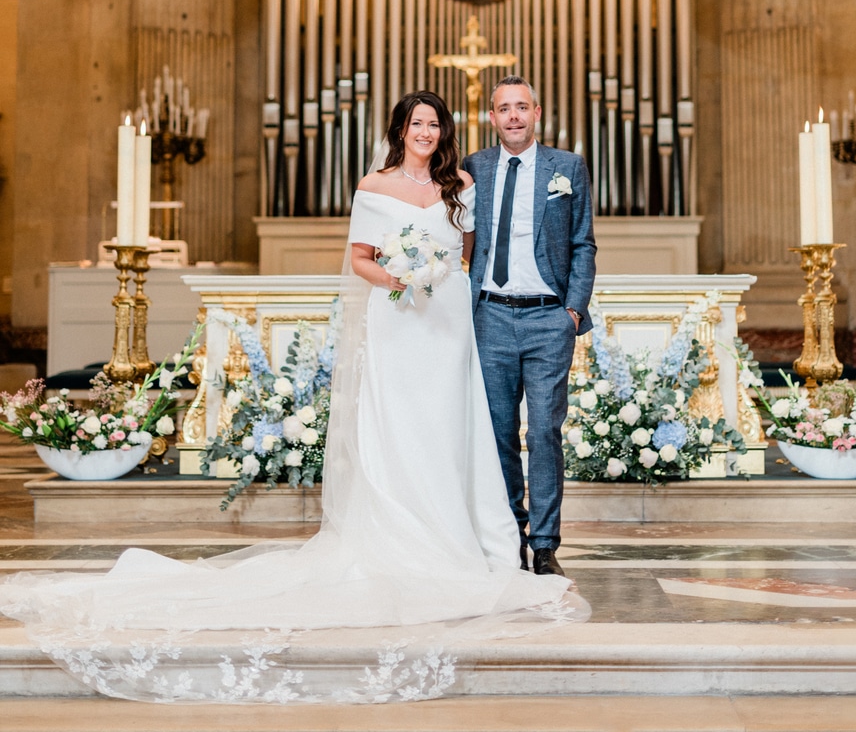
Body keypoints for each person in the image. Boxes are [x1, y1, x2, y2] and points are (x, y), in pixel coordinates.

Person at [0, 90, 583, 705]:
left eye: (435, 124)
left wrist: (437, 278)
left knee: (451, 430)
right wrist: (401, 279)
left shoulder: (460, 183)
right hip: (399, 322)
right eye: (417, 123)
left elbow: (466, 255)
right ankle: (409, 536)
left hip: (448, 327)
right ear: (400, 129)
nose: (426, 132)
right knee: (402, 428)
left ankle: (482, 539)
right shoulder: (373, 185)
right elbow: (359, 259)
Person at [464, 77, 596, 579]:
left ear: (537, 112)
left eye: (522, 107)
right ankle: (508, 537)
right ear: (492, 117)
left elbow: (583, 243)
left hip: (548, 316)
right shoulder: (474, 167)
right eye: (504, 109)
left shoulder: (568, 168)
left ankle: (544, 545)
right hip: (490, 315)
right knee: (497, 434)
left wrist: (572, 312)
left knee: (544, 431)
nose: (514, 116)